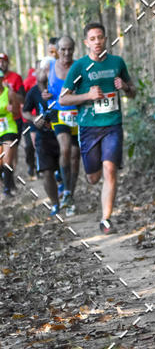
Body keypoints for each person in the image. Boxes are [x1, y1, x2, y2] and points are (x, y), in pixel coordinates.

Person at [60, 22, 136, 233]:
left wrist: (126, 87)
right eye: (92, 39)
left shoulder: (117, 63)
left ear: (105, 39)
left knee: (110, 169)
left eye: (100, 37)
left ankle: (106, 219)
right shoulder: (80, 67)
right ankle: (93, 180)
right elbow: (63, 99)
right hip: (89, 127)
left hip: (112, 124)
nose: (97, 42)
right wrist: (88, 96)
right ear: (86, 43)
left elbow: (133, 92)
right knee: (93, 178)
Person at [22, 60, 62, 215]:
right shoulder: (32, 92)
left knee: (63, 166)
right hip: (42, 137)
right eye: (39, 69)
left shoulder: (57, 88)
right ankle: (55, 204)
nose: (42, 72)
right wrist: (34, 119)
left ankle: (66, 193)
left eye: (46, 69)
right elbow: (26, 111)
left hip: (60, 133)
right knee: (47, 171)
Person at [47, 35, 80, 216]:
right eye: (63, 49)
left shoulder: (79, 67)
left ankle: (69, 194)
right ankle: (65, 187)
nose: (66, 53)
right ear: (57, 51)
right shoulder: (49, 67)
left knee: (75, 157)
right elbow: (40, 85)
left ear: (74, 50)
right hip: (59, 114)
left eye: (70, 49)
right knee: (65, 149)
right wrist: (45, 95)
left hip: (77, 114)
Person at [0, 53, 25, 189]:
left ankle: (9, 185)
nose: (1, 64)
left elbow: (23, 99)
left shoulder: (15, 78)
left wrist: (12, 93)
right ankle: (7, 183)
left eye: (3, 61)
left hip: (13, 123)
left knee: (11, 156)